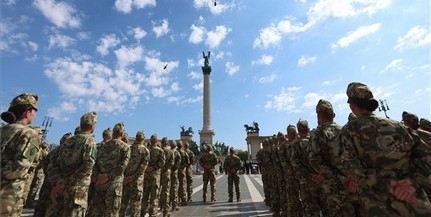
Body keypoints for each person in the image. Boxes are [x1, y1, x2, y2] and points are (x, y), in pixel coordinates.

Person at [338, 82, 431, 216]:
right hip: (411, 196)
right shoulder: (397, 125)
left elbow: (349, 165)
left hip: (379, 202)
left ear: (352, 105)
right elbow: (424, 157)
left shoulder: (350, 130)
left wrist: (384, 183)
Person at [46, 111, 98, 217]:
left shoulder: (67, 142)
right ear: (93, 126)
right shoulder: (90, 141)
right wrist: (69, 181)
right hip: (77, 190)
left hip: (59, 188)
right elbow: (88, 164)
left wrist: (57, 181)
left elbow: (52, 163)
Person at [0, 93, 40, 217]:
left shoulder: (2, 130)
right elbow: (20, 166)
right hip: (7, 196)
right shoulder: (29, 133)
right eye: (34, 110)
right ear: (27, 112)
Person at [87, 122, 130, 217]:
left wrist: (99, 176)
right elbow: (122, 166)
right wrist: (109, 176)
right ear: (122, 134)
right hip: (114, 185)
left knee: (96, 212)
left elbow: (95, 163)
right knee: (111, 212)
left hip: (99, 184)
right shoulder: (125, 147)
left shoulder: (102, 146)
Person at [33, 132, 72, 217]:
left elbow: (45, 164)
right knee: (53, 206)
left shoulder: (54, 151)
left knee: (42, 203)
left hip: (49, 181)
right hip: (57, 183)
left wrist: (48, 175)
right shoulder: (65, 152)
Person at [119, 130, 149, 217]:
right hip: (136, 181)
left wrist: (126, 176)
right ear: (143, 139)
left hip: (126, 179)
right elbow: (143, 167)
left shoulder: (128, 148)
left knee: (123, 203)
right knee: (135, 204)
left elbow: (122, 163)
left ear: (136, 138)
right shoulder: (145, 151)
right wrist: (133, 177)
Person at [141, 134, 165, 217]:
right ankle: (153, 214)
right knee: (154, 196)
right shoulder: (160, 150)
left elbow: (141, 161)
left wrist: (146, 168)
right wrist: (154, 167)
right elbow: (162, 162)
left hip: (146, 175)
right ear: (157, 141)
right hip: (155, 175)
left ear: (150, 141)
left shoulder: (145, 150)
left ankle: (142, 212)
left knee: (144, 195)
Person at [159, 137, 174, 217]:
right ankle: (165, 211)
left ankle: (159, 205)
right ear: (167, 143)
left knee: (157, 190)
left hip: (158, 172)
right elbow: (172, 163)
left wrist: (160, 169)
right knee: (166, 191)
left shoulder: (158, 150)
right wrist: (165, 169)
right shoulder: (170, 152)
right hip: (166, 173)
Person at [169, 140, 181, 212]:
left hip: (167, 172)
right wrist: (174, 169)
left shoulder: (167, 151)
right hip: (174, 172)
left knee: (167, 188)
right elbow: (178, 162)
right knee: (174, 187)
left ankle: (167, 203)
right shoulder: (177, 153)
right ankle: (174, 205)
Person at [177, 140, 189, 206]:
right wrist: (182, 167)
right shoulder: (184, 153)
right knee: (182, 184)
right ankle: (183, 200)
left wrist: (176, 167)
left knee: (175, 184)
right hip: (182, 171)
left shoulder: (174, 152)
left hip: (175, 170)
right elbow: (187, 162)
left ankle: (175, 200)